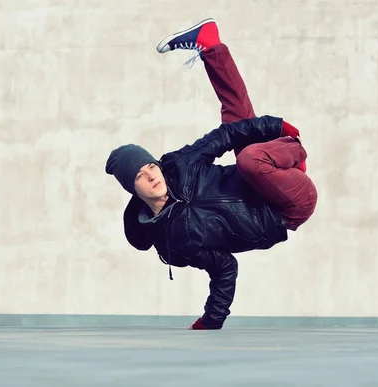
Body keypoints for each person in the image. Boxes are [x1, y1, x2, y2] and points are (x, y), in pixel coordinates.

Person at [105, 18, 318, 330]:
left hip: (276, 176)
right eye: (140, 176)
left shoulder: (179, 165)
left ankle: (211, 46)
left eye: (151, 166)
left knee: (240, 130)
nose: (152, 175)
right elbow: (224, 267)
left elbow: (223, 136)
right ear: (133, 190)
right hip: (289, 209)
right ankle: (283, 152)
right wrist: (212, 320)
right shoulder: (173, 244)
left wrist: (276, 126)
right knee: (250, 155)